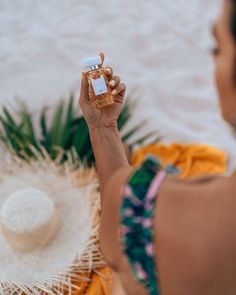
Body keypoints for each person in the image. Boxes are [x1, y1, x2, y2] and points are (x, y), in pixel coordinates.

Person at [79, 0, 236, 293]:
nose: (215, 62)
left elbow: (120, 225)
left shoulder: (150, 211)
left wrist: (102, 128)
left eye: (218, 49)